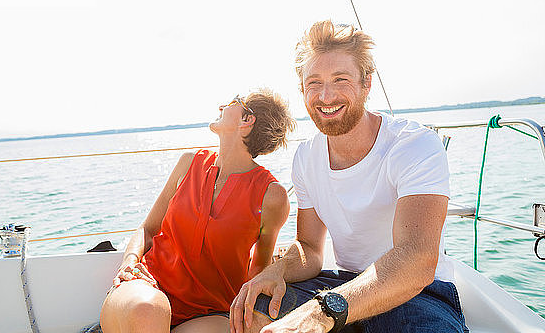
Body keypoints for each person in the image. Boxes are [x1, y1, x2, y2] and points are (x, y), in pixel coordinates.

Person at [230, 21, 468, 333]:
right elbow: (310, 249)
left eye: (340, 79)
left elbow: (417, 258)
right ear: (302, 90)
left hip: (417, 293)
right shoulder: (306, 158)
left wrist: (321, 314)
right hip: (344, 284)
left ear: (366, 83)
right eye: (314, 83)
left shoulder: (413, 144)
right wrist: (277, 270)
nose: (325, 97)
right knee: (255, 309)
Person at [100, 89, 296, 333]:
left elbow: (259, 268)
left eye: (232, 101)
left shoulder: (271, 195)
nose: (221, 106)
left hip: (210, 312)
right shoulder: (188, 163)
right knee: (149, 311)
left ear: (247, 120)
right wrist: (128, 263)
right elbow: (148, 229)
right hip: (147, 288)